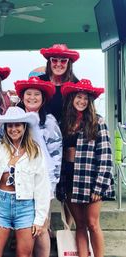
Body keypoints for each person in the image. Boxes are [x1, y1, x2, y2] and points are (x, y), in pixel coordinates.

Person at [57, 79, 115, 257]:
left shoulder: (98, 122)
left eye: (85, 98)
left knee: (92, 223)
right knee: (80, 224)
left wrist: (99, 186)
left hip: (90, 179)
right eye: (78, 97)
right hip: (69, 177)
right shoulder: (65, 122)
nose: (81, 101)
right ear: (72, 98)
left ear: (90, 101)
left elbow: (105, 155)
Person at [0, 106, 51, 257]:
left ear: (24, 126)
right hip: (0, 204)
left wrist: (40, 218)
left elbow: (42, 186)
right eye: (10, 125)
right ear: (5, 128)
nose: (14, 129)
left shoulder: (35, 151)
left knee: (24, 254)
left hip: (25, 206)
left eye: (17, 125)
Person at [15, 76, 63, 257]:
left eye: (37, 94)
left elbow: (56, 155)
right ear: (22, 96)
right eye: (29, 94)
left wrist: (52, 184)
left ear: (43, 98)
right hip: (20, 179)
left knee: (42, 225)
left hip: (43, 179)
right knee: (24, 226)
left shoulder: (49, 121)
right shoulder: (15, 118)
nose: (32, 97)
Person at [39, 44, 80, 122]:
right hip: (41, 130)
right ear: (49, 62)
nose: (58, 64)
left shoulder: (76, 84)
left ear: (69, 64)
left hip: (68, 131)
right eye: (54, 60)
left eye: (63, 61)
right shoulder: (40, 81)